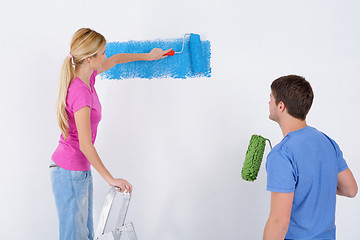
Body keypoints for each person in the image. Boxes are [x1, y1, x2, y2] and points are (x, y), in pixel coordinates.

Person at [50, 28, 171, 240]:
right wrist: (110, 179)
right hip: (69, 172)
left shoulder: (89, 78)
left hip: (78, 172)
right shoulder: (79, 91)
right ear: (89, 59)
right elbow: (85, 145)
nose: (105, 56)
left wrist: (149, 56)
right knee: (73, 237)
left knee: (83, 235)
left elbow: (115, 59)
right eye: (102, 53)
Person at [262, 75, 358, 239]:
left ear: (281, 106)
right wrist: (315, 186)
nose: (268, 103)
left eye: (270, 98)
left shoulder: (281, 154)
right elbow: (350, 189)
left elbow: (279, 223)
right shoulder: (327, 142)